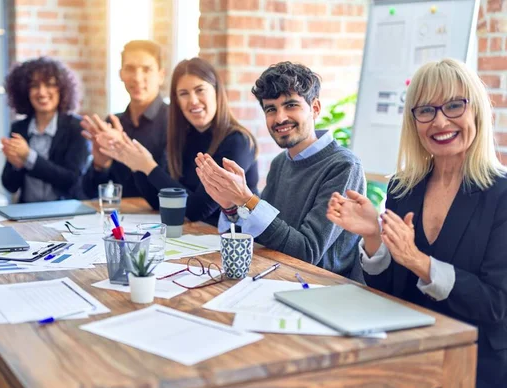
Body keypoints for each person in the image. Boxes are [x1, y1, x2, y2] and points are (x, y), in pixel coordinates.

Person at [327, 58, 507, 388]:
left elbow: (497, 305)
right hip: (410, 356)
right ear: (414, 121)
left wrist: (419, 261)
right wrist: (373, 236)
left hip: (475, 368)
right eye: (426, 111)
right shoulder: (402, 189)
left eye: (454, 105)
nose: (440, 121)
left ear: (476, 113)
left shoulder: (501, 195)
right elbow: (395, 292)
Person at [196, 62, 365, 279]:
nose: (280, 118)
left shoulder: (344, 166)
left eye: (291, 105)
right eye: (271, 109)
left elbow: (307, 253)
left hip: (320, 287)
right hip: (275, 276)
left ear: (315, 108)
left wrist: (248, 200)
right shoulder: (280, 163)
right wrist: (230, 205)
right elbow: (262, 237)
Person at [99, 57, 259, 226]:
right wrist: (136, 165)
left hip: (238, 241)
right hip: (197, 237)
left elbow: (198, 210)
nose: (193, 101)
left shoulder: (237, 141)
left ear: (217, 92)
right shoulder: (183, 137)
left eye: (200, 90)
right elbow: (158, 202)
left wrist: (149, 167)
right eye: (184, 93)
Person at [81, 40, 168, 199]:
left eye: (146, 69)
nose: (137, 77)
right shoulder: (114, 122)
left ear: (161, 75)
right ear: (121, 74)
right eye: (130, 69)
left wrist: (124, 149)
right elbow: (87, 193)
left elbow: (167, 191)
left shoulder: (174, 122)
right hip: (122, 217)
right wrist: (100, 165)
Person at [1, 57, 89, 202]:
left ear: (62, 89)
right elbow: (9, 186)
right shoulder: (19, 128)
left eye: (50, 85)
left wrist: (29, 156)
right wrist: (16, 165)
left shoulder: (77, 127)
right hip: (27, 212)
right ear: (25, 91)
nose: (42, 93)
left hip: (65, 214)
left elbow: (72, 180)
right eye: (34, 86)